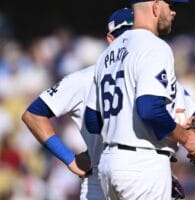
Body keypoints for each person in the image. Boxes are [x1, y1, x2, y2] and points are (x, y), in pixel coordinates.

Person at [85, 0, 195, 199]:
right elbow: (149, 109)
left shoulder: (107, 54)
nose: (173, 12)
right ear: (155, 7)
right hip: (143, 164)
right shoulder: (154, 46)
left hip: (109, 164)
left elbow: (92, 120)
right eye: (170, 5)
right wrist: (186, 137)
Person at [21, 8, 131, 200]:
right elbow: (33, 114)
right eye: (126, 36)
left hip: (143, 172)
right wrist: (69, 159)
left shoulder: (151, 73)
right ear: (111, 39)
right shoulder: (85, 78)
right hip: (100, 178)